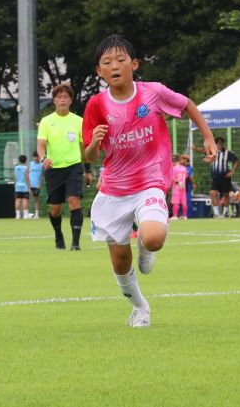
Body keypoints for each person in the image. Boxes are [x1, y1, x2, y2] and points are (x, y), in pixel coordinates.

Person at [83, 34, 216, 328]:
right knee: (119, 260)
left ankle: (144, 244)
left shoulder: (152, 93)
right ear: (99, 71)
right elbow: (89, 156)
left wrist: (207, 136)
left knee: (154, 238)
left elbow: (187, 104)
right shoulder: (96, 105)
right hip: (114, 190)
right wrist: (92, 144)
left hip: (149, 182)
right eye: (107, 62)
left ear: (134, 64)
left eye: (120, 60)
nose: (114, 66)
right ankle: (140, 308)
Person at [37, 83, 93, 250]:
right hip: (53, 169)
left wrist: (88, 169)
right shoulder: (46, 121)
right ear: (54, 100)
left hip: (73, 167)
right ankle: (58, 234)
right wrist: (43, 159)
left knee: (74, 202)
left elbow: (84, 148)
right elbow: (41, 145)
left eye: (66, 97)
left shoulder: (79, 121)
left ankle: (75, 243)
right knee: (55, 209)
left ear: (71, 100)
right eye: (59, 97)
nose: (62, 100)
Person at [195, 137, 239, 218]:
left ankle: (225, 212)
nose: (219, 145)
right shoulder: (211, 152)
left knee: (226, 194)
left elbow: (236, 161)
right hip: (215, 177)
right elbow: (203, 150)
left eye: (221, 144)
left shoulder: (227, 153)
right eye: (218, 144)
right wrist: (195, 148)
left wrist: (232, 172)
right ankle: (216, 213)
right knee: (213, 193)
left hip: (225, 177)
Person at [28, 151, 45, 219]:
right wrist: (28, 185)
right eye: (34, 156)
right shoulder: (30, 164)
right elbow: (28, 174)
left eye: (37, 156)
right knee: (26, 199)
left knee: (36, 200)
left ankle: (37, 214)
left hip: (36, 186)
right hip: (30, 185)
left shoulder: (42, 165)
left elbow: (42, 176)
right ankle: (26, 214)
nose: (36, 158)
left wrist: (39, 185)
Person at [171, 155, 188, 219]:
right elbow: (186, 176)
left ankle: (175, 216)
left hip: (176, 186)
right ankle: (185, 216)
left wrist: (178, 182)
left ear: (174, 162)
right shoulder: (184, 168)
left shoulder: (174, 168)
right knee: (184, 202)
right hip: (183, 186)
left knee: (176, 202)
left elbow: (172, 178)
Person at [14, 155, 30, 219]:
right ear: (25, 160)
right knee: (25, 200)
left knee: (18, 200)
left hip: (18, 186)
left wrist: (15, 185)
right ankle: (25, 215)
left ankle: (17, 215)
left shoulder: (16, 168)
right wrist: (29, 187)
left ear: (19, 160)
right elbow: (27, 178)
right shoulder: (26, 168)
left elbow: (15, 177)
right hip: (24, 186)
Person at [180, 153, 195, 218]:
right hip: (180, 186)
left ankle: (188, 215)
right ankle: (181, 214)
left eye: (182, 159)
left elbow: (189, 177)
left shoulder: (189, 168)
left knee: (187, 200)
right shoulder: (180, 167)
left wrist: (193, 184)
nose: (181, 160)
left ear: (186, 160)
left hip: (187, 186)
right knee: (180, 200)